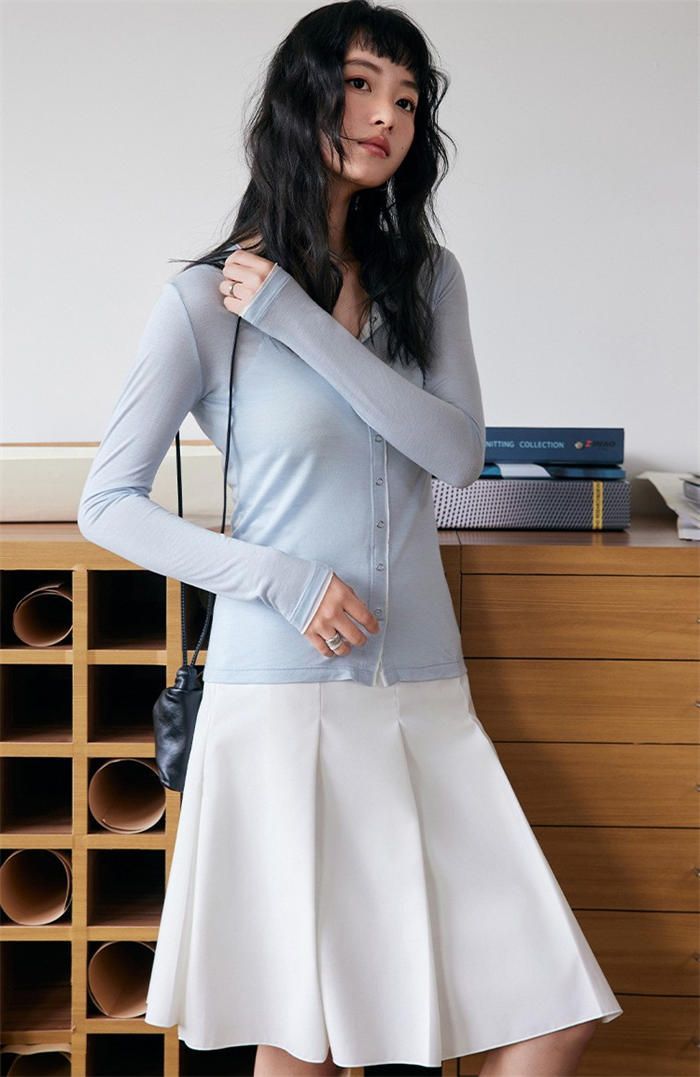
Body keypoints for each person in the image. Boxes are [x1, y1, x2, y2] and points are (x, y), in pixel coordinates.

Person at [77, 2, 623, 1074]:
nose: (387, 116)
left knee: (552, 1008)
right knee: (309, 1038)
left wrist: (299, 320)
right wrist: (283, 581)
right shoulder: (203, 301)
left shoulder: (426, 281)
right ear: (302, 98)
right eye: (364, 85)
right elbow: (109, 502)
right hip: (281, 700)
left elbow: (453, 454)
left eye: (408, 99)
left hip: (424, 693)